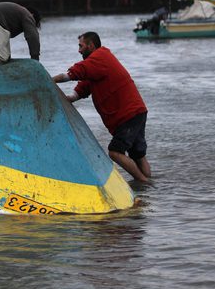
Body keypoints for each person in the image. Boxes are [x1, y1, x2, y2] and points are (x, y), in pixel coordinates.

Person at [51, 31, 151, 182]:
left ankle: (144, 183)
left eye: (81, 46)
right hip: (136, 112)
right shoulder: (98, 64)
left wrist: (48, 80)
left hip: (128, 115)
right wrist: (69, 98)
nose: (79, 50)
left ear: (91, 45)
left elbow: (74, 73)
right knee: (138, 155)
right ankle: (150, 187)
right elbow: (83, 87)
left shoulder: (100, 57)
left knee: (115, 152)